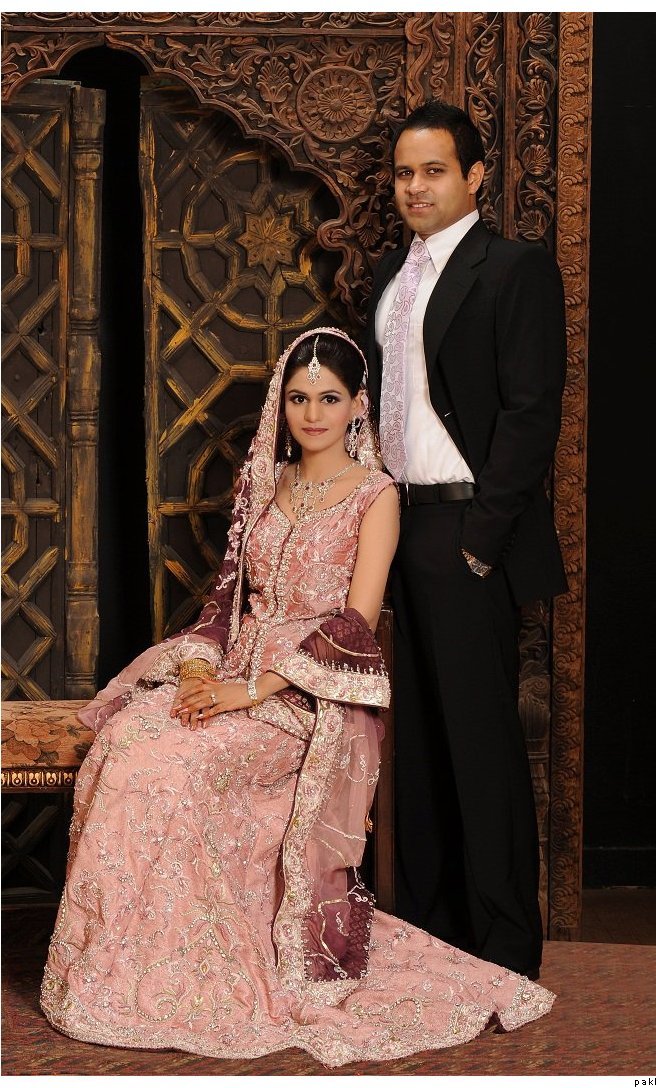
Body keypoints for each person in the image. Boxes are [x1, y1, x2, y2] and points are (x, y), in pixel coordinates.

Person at [40, 328, 554, 1068]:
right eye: (299, 398)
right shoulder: (263, 483)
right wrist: (199, 675)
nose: (313, 414)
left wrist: (252, 691)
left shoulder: (376, 496)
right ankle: (128, 969)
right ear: (281, 406)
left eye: (330, 399)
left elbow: (357, 621)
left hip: (307, 696)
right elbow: (224, 602)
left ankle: (193, 970)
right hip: (231, 673)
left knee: (169, 769)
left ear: (358, 405)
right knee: (126, 744)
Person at [365, 100, 568, 981]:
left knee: (481, 744)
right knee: (413, 744)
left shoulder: (513, 268)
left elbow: (531, 414)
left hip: (463, 531)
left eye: (434, 171)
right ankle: (428, 935)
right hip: (395, 525)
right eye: (404, 173)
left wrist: (481, 541)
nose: (415, 187)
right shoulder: (388, 274)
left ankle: (504, 948)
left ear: (475, 175)